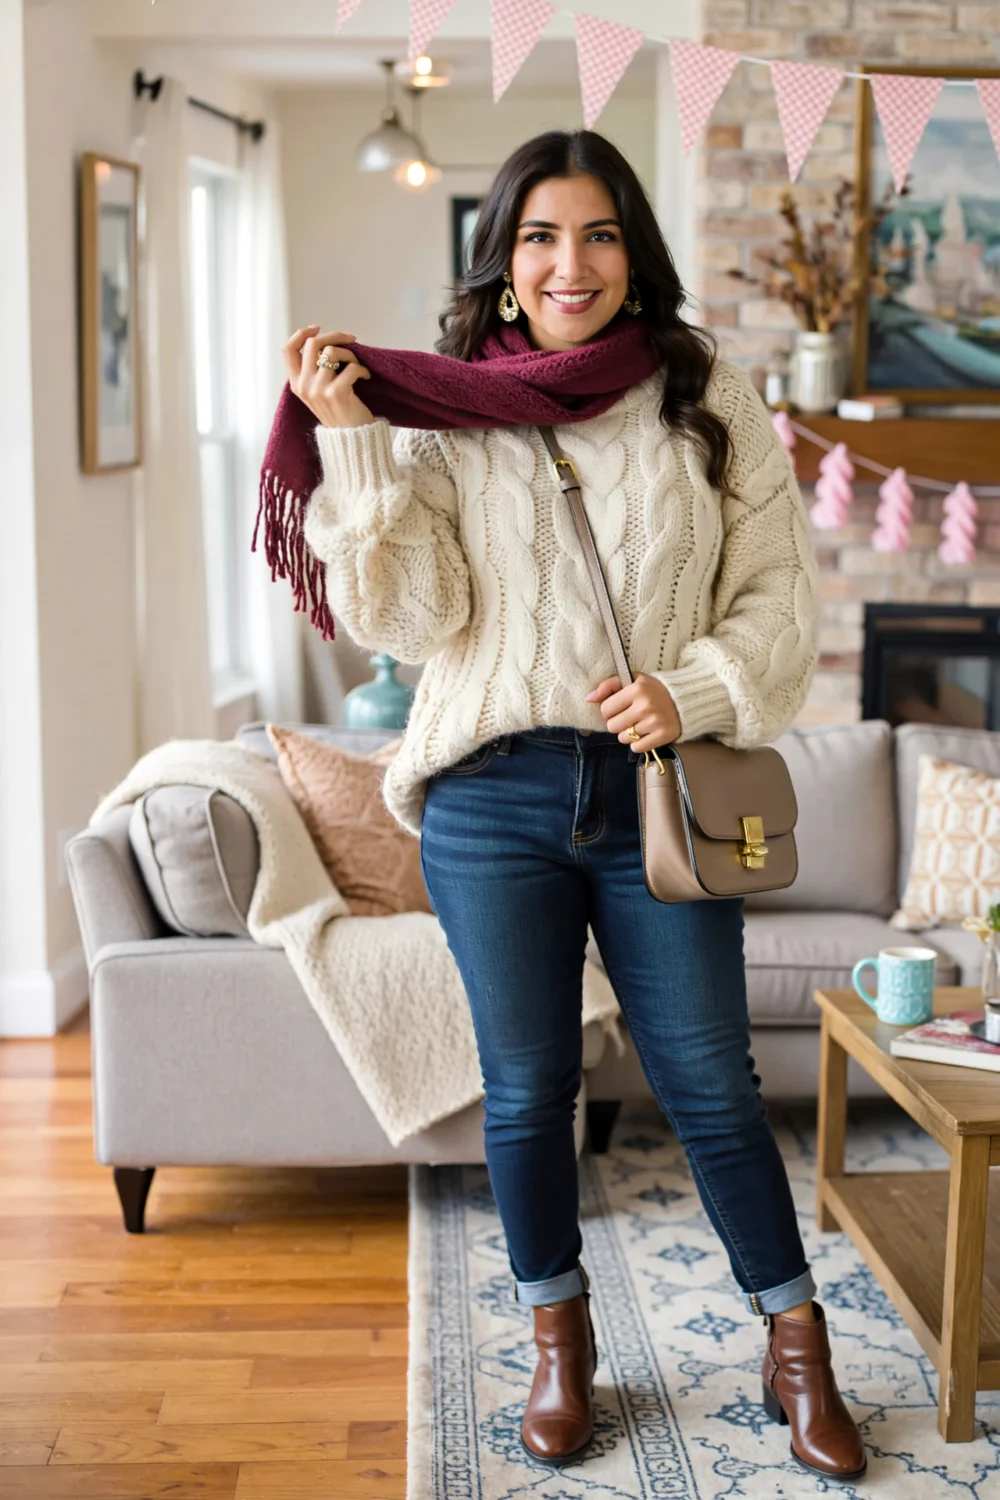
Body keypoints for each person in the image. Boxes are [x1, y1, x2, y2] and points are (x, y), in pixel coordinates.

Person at [282, 129, 866, 1483]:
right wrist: (360, 450)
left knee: (711, 1081)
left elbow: (782, 596)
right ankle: (560, 1341)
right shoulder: (443, 404)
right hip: (492, 794)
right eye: (540, 236)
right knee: (527, 1089)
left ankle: (796, 1345)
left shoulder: (703, 382)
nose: (570, 263)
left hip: (659, 787)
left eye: (598, 234)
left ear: (633, 251)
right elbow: (413, 619)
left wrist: (697, 687)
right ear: (502, 263)